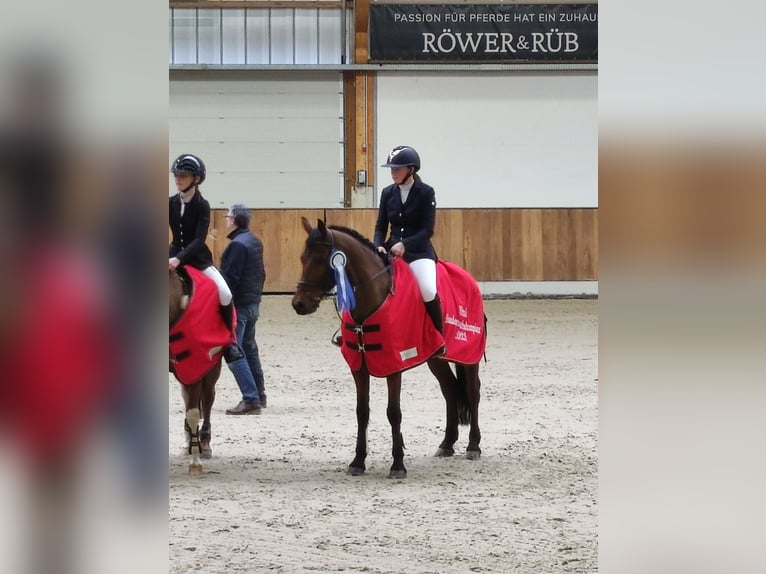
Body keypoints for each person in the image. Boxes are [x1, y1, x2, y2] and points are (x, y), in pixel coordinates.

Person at [168, 153, 243, 363]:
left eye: (182, 175)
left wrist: (178, 260)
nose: (177, 179)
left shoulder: (202, 205)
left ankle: (230, 342)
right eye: (176, 174)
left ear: (196, 179)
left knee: (225, 293)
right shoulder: (170, 202)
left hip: (197, 258)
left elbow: (199, 239)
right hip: (172, 252)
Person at [374, 145, 444, 346]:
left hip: (418, 252)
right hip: (390, 249)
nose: (393, 173)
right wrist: (378, 245)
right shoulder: (387, 193)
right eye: (392, 169)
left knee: (428, 289)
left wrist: (404, 244)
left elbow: (427, 230)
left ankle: (439, 338)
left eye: (398, 169)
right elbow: (380, 226)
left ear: (411, 170)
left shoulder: (426, 192)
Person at [220, 204, 268, 415]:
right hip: (253, 303)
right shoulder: (254, 241)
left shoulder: (237, 246)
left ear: (234, 220)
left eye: (228, 216)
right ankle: (260, 394)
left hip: (239, 306)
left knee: (234, 351)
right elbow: (262, 273)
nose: (225, 219)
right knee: (249, 349)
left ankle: (250, 399)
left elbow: (230, 280)